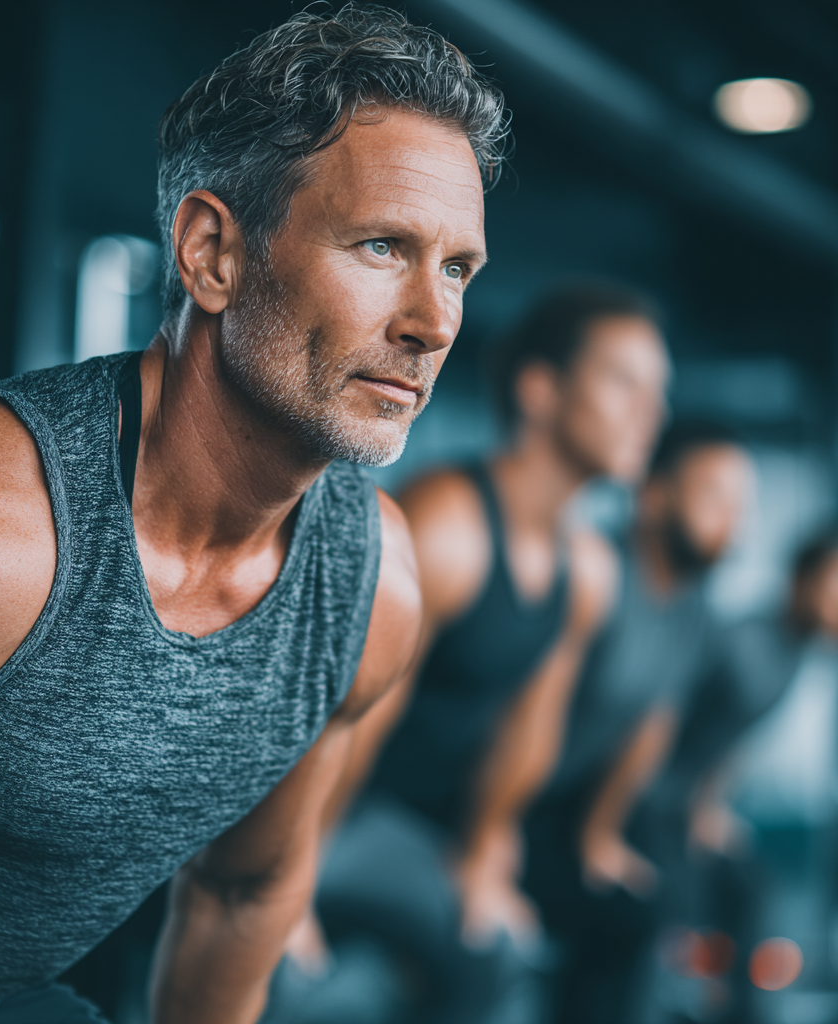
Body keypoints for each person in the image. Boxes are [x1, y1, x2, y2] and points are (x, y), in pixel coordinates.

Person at [0, 9, 508, 1024]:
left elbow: (244, 888)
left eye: (455, 268)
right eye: (379, 246)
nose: (433, 321)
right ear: (212, 253)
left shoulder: (368, 589)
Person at [289, 281, 671, 1023]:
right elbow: (350, 720)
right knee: (288, 976)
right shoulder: (449, 526)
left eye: (659, 392)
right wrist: (287, 881)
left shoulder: (587, 569)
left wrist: (484, 850)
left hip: (418, 830)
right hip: (331, 812)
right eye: (625, 382)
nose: (650, 415)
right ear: (540, 389)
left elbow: (529, 729)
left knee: (495, 949)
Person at [521, 421, 753, 1024]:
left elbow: (651, 725)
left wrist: (600, 835)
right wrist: (490, 839)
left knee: (657, 899)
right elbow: (516, 713)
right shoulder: (593, 571)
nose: (734, 519)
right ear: (653, 495)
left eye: (741, 505)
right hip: (502, 805)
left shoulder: (697, 609)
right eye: (715, 496)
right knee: (630, 920)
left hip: (566, 811)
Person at [632, 528, 838, 1024]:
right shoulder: (745, 640)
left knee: (753, 894)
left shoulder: (792, 656)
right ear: (801, 580)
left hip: (682, 808)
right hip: (645, 806)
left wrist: (708, 805)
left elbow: (727, 741)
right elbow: (661, 719)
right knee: (669, 921)